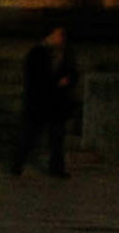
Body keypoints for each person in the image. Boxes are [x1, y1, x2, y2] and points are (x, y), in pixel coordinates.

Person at [12, 24, 76, 178]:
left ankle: (57, 169)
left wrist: (69, 80)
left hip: (57, 103)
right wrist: (55, 83)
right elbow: (35, 78)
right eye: (58, 35)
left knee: (57, 139)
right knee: (30, 136)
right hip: (40, 101)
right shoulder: (37, 53)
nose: (60, 38)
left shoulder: (65, 53)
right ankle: (17, 164)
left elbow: (73, 72)